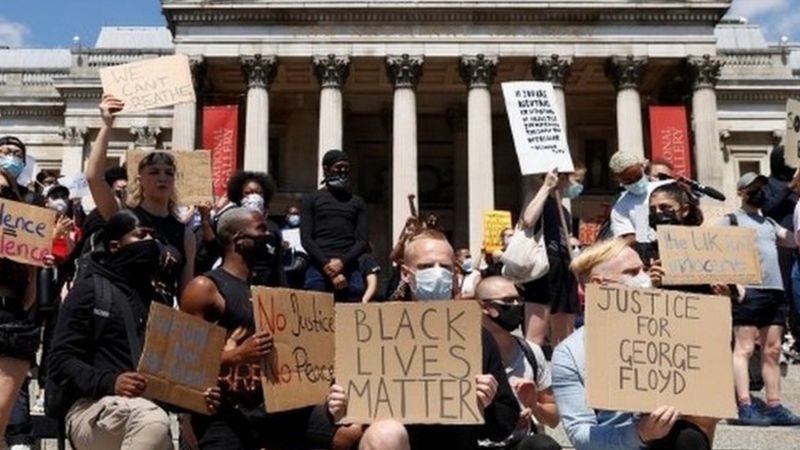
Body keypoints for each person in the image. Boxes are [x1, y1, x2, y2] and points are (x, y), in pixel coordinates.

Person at [326, 229, 520, 450]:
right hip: (393, 444)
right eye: (427, 267)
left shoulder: (475, 337)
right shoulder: (375, 332)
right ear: (407, 274)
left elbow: (503, 426)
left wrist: (489, 403)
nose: (438, 274)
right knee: (386, 433)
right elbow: (341, 409)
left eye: (445, 267)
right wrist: (337, 403)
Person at [47, 210, 220, 450]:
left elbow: (170, 375)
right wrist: (110, 382)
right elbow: (59, 360)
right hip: (91, 408)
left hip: (146, 413)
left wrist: (196, 396)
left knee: (152, 421)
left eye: (154, 237)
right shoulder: (90, 290)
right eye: (141, 236)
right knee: (152, 421)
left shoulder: (159, 301)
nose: (150, 244)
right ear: (115, 246)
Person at [553, 238, 711, 450]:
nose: (645, 278)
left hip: (668, 441)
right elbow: (581, 435)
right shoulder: (570, 353)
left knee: (687, 437)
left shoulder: (672, 333)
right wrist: (639, 433)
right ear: (600, 285)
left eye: (644, 269)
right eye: (632, 272)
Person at [181, 207, 319, 449]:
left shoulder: (264, 291)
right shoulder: (205, 287)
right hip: (224, 414)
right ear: (239, 240)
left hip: (269, 411)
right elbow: (182, 360)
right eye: (261, 230)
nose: (269, 237)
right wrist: (238, 355)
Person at [86, 94, 196, 301]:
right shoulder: (123, 217)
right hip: (121, 314)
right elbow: (93, 177)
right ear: (139, 179)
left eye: (168, 173)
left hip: (159, 321)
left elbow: (185, 295)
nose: (162, 178)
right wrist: (107, 125)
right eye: (154, 173)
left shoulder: (185, 235)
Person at [719, 173, 800, 426]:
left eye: (763, 188)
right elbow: (706, 247)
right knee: (743, 348)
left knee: (772, 350)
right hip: (748, 291)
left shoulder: (769, 222)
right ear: (741, 192)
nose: (760, 192)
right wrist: (732, 284)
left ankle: (774, 404)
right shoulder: (729, 221)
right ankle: (745, 404)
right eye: (755, 188)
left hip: (774, 291)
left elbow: (792, 239)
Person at [476, 276, 562, 450]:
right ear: (484, 307)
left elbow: (553, 418)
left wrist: (534, 406)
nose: (516, 305)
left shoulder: (530, 352)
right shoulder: (465, 354)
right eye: (507, 301)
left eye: (518, 299)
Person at [520, 167, 585, 348]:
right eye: (576, 180)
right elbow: (528, 219)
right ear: (561, 178)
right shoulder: (539, 199)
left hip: (565, 268)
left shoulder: (564, 211)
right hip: (544, 268)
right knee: (536, 337)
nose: (578, 185)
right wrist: (546, 187)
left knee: (565, 339)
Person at [0, 168, 42, 446]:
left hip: (10, 328)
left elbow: (28, 300)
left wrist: (34, 268)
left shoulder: (23, 235)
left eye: (4, 192)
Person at [197, 170, 287, 288]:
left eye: (258, 193)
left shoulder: (273, 228)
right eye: (248, 193)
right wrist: (205, 220)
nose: (253, 197)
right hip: (236, 284)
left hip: (264, 286)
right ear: (239, 196)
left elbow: (277, 266)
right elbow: (213, 248)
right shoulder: (229, 221)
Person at [301, 150, 368, 301]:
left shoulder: (357, 202)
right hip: (318, 268)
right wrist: (330, 268)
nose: (343, 171)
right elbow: (306, 238)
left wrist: (342, 262)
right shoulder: (311, 199)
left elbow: (363, 241)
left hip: (350, 270)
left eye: (346, 168)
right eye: (339, 167)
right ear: (326, 169)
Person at [608, 152, 669, 248]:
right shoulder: (621, 207)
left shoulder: (666, 187)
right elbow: (634, 237)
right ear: (619, 179)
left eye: (637, 176)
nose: (635, 182)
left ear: (642, 168)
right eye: (628, 180)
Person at [281, 204, 308, 289]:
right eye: (292, 214)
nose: (295, 216)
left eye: (297, 214)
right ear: (287, 216)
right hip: (288, 263)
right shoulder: (281, 232)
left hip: (302, 264)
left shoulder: (306, 231)